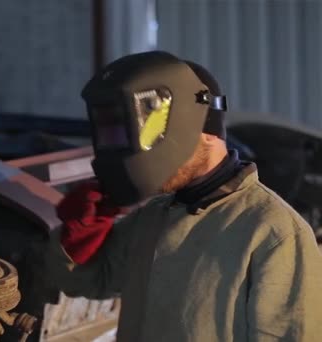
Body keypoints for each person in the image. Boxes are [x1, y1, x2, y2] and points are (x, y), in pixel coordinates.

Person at [42, 51, 322, 341]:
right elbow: (88, 283)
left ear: (198, 126)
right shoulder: (153, 217)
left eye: (148, 131)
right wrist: (81, 235)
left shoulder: (272, 232)